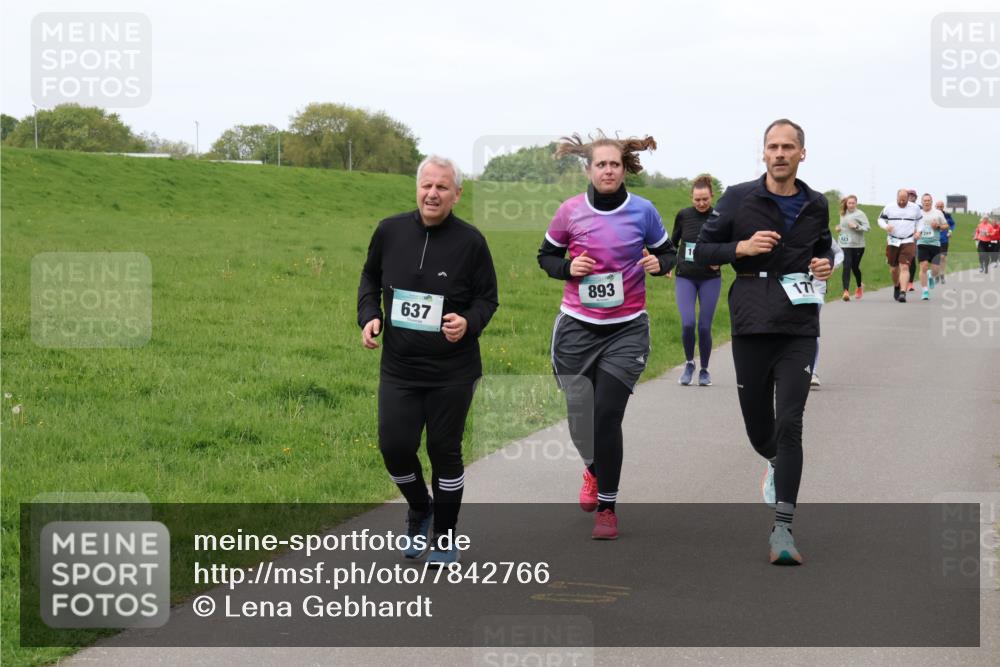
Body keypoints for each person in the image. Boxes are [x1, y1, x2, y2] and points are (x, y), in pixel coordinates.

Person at [694, 119, 834, 565]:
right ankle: (773, 461)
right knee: (760, 430)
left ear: (801, 154)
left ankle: (783, 530)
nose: (779, 153)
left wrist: (825, 262)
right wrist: (742, 249)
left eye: (788, 147)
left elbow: (826, 246)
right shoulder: (738, 197)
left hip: (799, 325)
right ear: (763, 153)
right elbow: (694, 252)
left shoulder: (816, 204)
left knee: (790, 422)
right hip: (752, 322)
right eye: (772, 146)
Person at [358, 155, 499, 565]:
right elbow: (368, 278)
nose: (432, 194)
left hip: (452, 370)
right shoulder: (389, 231)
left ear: (456, 194)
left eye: (442, 187)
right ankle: (420, 508)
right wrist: (370, 316)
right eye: (426, 185)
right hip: (400, 367)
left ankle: (444, 535)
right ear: (416, 189)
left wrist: (468, 322)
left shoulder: (471, 242)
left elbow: (487, 299)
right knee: (395, 448)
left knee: (443, 450)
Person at [538, 132, 676, 540]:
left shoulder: (644, 211)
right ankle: (593, 470)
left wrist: (658, 263)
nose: (608, 170)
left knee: (607, 415)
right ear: (589, 169)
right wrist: (568, 269)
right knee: (581, 419)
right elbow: (545, 256)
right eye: (601, 164)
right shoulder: (570, 211)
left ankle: (608, 508)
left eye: (614, 164)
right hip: (577, 328)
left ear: (624, 167)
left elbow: (667, 252)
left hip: (627, 328)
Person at [670, 174, 722, 386]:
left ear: (712, 196)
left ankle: (704, 370)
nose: (701, 203)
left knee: (704, 326)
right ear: (691, 197)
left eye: (705, 199)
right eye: (697, 199)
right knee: (688, 323)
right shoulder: (683, 215)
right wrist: (667, 265)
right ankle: (689, 363)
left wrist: (720, 261)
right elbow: (672, 244)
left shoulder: (719, 217)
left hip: (710, 279)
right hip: (686, 278)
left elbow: (729, 245)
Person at [877, 189, 922, 303]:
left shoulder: (915, 208)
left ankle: (903, 292)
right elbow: (880, 219)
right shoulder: (889, 207)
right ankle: (896, 285)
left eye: (904, 200)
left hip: (908, 240)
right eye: (900, 199)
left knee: (905, 266)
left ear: (908, 198)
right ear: (897, 197)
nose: (902, 202)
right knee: (893, 269)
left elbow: (920, 221)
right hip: (893, 240)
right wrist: (886, 227)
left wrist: (918, 232)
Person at [809, 241, 844, 388]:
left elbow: (839, 252)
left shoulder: (819, 230)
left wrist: (831, 266)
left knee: (811, 327)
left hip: (816, 286)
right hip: (789, 284)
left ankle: (813, 371)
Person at [915, 193, 949, 300]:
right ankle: (925, 291)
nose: (927, 202)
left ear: (931, 202)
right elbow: (912, 226)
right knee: (923, 266)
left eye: (928, 200)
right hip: (922, 243)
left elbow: (946, 226)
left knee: (935, 270)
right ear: (922, 202)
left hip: (935, 243)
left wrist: (938, 226)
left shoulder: (938, 213)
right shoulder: (918, 214)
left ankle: (931, 275)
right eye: (925, 200)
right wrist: (915, 233)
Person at [835, 195, 869, 300]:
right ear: (846, 203)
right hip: (844, 244)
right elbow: (843, 226)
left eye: (853, 203)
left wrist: (857, 227)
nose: (851, 205)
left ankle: (859, 287)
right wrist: (839, 227)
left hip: (858, 245)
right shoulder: (843, 213)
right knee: (846, 266)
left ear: (856, 203)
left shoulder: (860, 214)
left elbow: (867, 227)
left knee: (855, 267)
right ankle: (846, 292)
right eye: (849, 203)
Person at [935, 200, 955, 284]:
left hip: (944, 239)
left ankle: (942, 275)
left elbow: (952, 224)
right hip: (933, 239)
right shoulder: (932, 214)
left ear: (943, 207)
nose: (939, 208)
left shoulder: (947, 215)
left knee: (942, 257)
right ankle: (936, 275)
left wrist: (950, 232)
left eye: (941, 206)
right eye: (938, 206)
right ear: (935, 207)